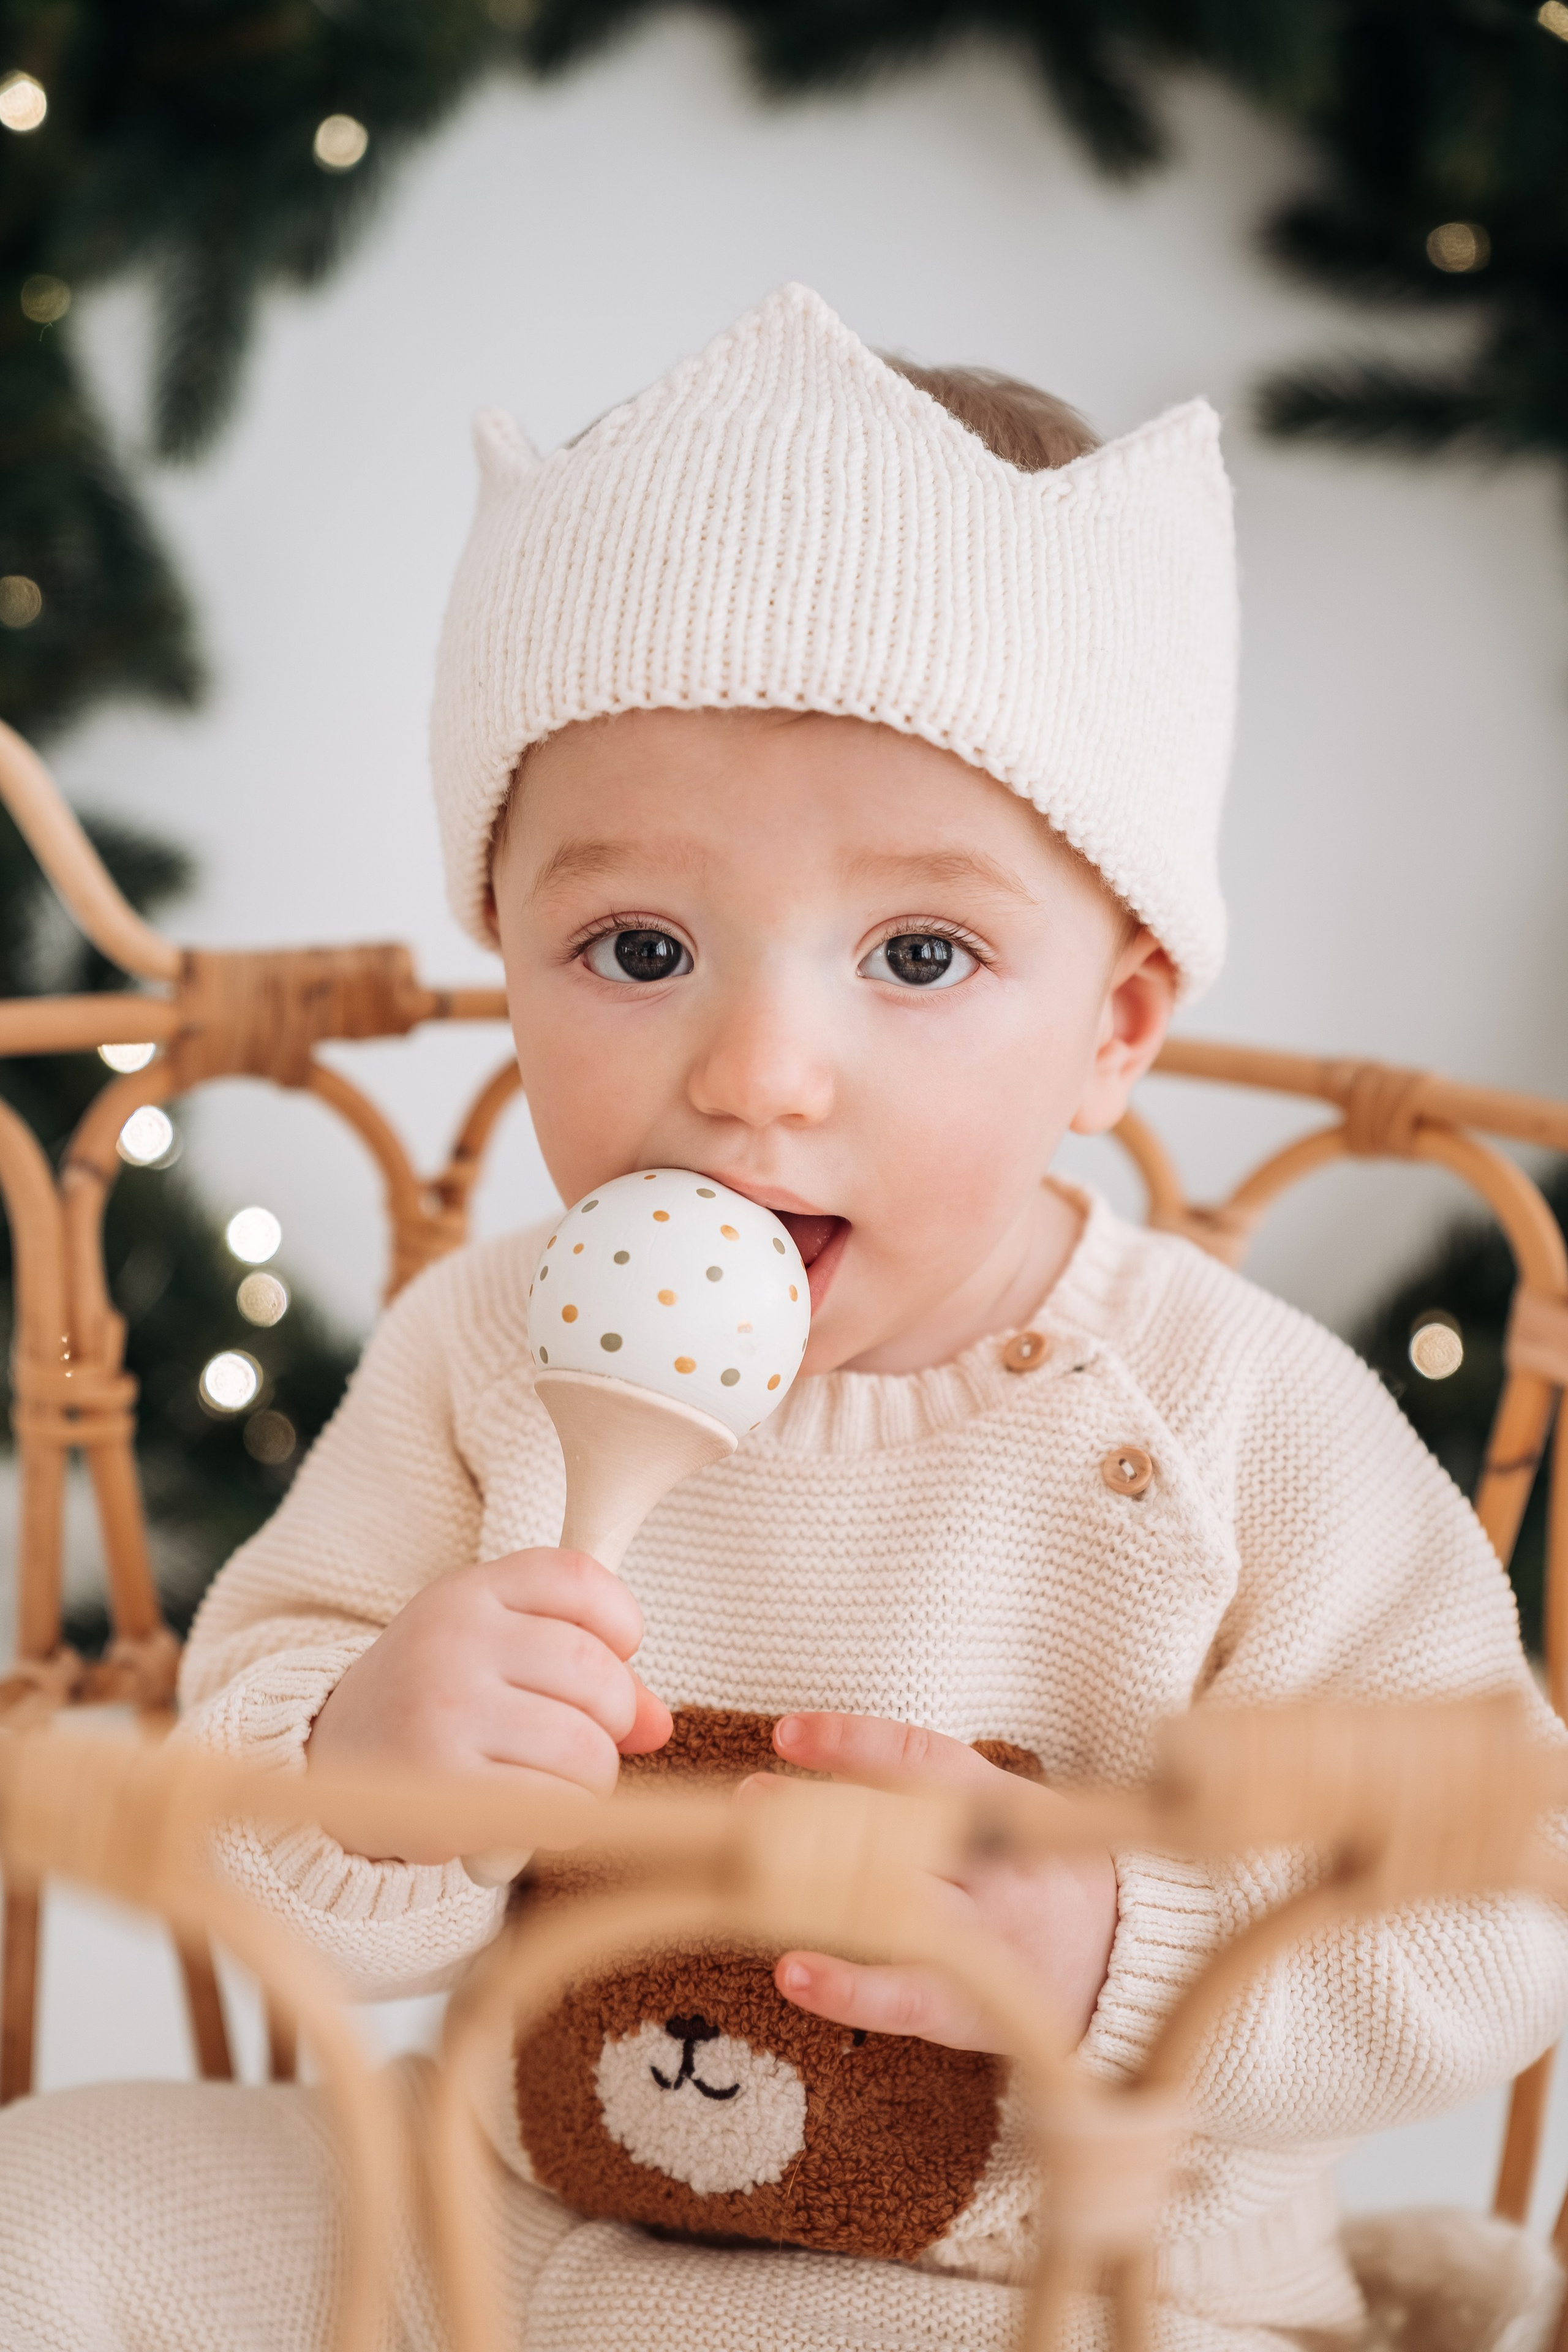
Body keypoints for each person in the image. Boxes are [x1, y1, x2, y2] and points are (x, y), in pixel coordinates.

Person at [1, 284, 1564, 2352]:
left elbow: (1487, 1896)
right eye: (636, 944)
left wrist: (1121, 1941)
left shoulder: (1229, 1416)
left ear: (1111, 1030)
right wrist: (374, 1750)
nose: (757, 1069)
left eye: (918, 951)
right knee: (57, 2208)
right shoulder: (488, 1356)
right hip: (485, 2189)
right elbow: (265, 1810)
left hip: (1040, 2274)